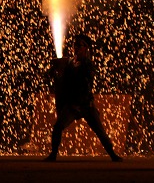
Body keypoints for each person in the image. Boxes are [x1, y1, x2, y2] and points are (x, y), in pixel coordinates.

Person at [44, 34, 122, 162]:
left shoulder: (87, 64)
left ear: (86, 48)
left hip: (86, 105)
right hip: (72, 105)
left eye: (79, 45)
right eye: (75, 45)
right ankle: (53, 154)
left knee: (100, 131)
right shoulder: (69, 63)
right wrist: (55, 71)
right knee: (58, 127)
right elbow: (59, 78)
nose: (76, 47)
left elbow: (86, 82)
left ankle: (113, 155)